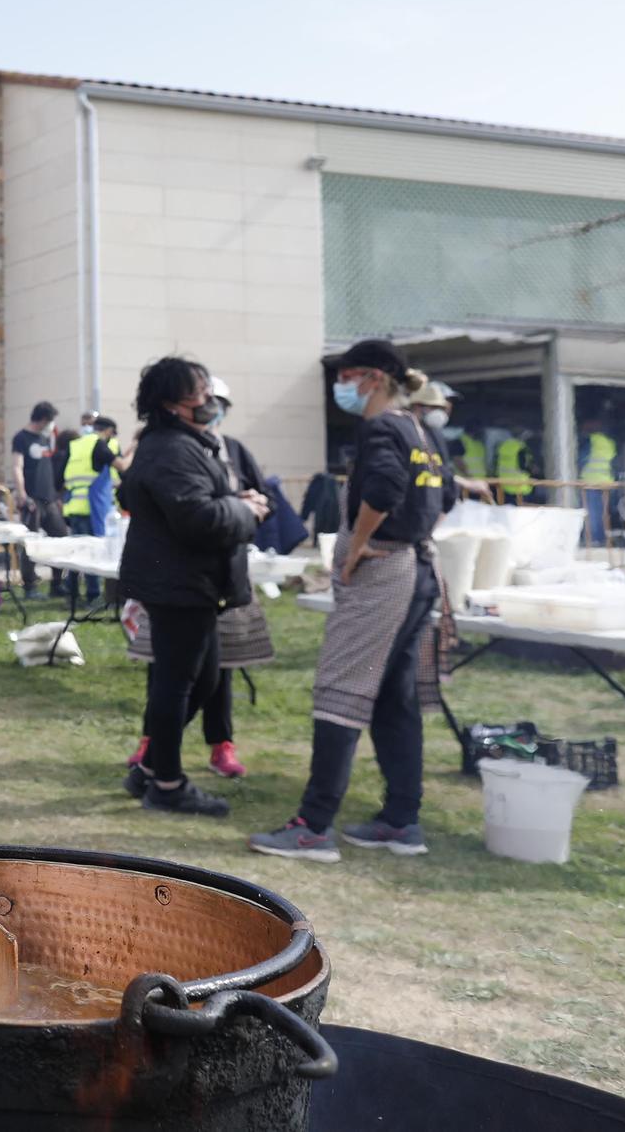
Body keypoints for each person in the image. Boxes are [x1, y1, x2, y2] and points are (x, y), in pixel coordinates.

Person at [250, 340, 454, 863]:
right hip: (420, 569)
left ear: (372, 379)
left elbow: (383, 490)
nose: (340, 386)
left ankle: (313, 827)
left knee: (340, 691)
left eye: (346, 376)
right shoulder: (423, 430)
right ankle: (401, 820)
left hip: (385, 572)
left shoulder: (382, 428)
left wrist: (357, 547)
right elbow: (445, 497)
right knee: (393, 698)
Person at [114, 357, 268, 818]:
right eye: (197, 393)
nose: (208, 401)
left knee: (200, 682)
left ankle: (151, 769)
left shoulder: (182, 443)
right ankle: (167, 784)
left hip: (190, 582)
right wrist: (248, 512)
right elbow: (197, 518)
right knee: (178, 684)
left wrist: (235, 502)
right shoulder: (171, 449)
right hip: (179, 584)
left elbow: (197, 502)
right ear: (171, 404)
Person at [62, 415, 127, 603]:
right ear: (108, 431)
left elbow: (60, 476)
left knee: (76, 555)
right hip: (94, 508)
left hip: (74, 506)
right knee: (94, 553)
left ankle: (72, 595)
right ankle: (93, 595)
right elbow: (121, 466)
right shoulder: (101, 445)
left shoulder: (74, 445)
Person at [9, 401, 67, 597]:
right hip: (32, 499)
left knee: (60, 537)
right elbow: (17, 467)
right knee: (30, 543)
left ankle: (57, 584)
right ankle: (30, 587)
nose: (51, 425)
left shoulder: (44, 438)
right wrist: (22, 494)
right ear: (43, 419)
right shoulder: (21, 438)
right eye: (50, 420)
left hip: (49, 499)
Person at [408, 381, 491, 503]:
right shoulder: (409, 433)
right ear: (422, 405)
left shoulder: (435, 436)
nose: (448, 408)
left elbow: (440, 470)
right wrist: (468, 483)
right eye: (440, 404)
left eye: (449, 404)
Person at [578, 411, 617, 544]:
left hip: (590, 482)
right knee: (602, 514)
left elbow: (580, 459)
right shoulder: (608, 442)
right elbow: (614, 464)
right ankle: (600, 540)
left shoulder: (589, 440)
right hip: (606, 483)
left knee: (592, 514)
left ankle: (593, 541)